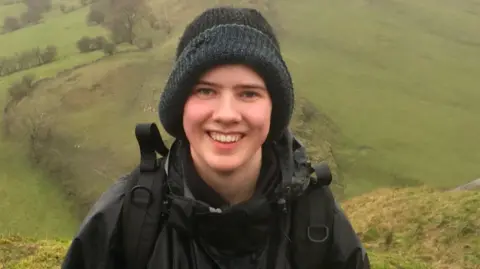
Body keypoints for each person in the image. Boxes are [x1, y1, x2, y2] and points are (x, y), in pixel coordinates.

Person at [61, 6, 370, 269]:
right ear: (180, 106)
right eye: (205, 90)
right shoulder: (127, 218)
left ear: (273, 111)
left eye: (248, 93)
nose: (226, 114)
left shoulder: (316, 219)